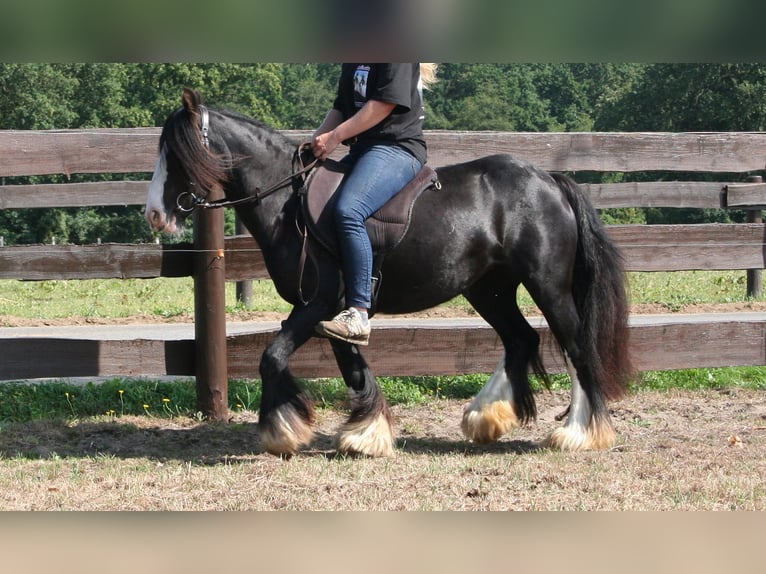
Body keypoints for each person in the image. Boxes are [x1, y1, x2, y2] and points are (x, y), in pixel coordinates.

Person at [312, 63, 437, 345]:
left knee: (349, 211)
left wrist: (335, 137)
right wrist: (316, 139)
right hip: (362, 150)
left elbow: (383, 104)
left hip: (397, 148)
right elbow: (342, 106)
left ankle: (358, 313)